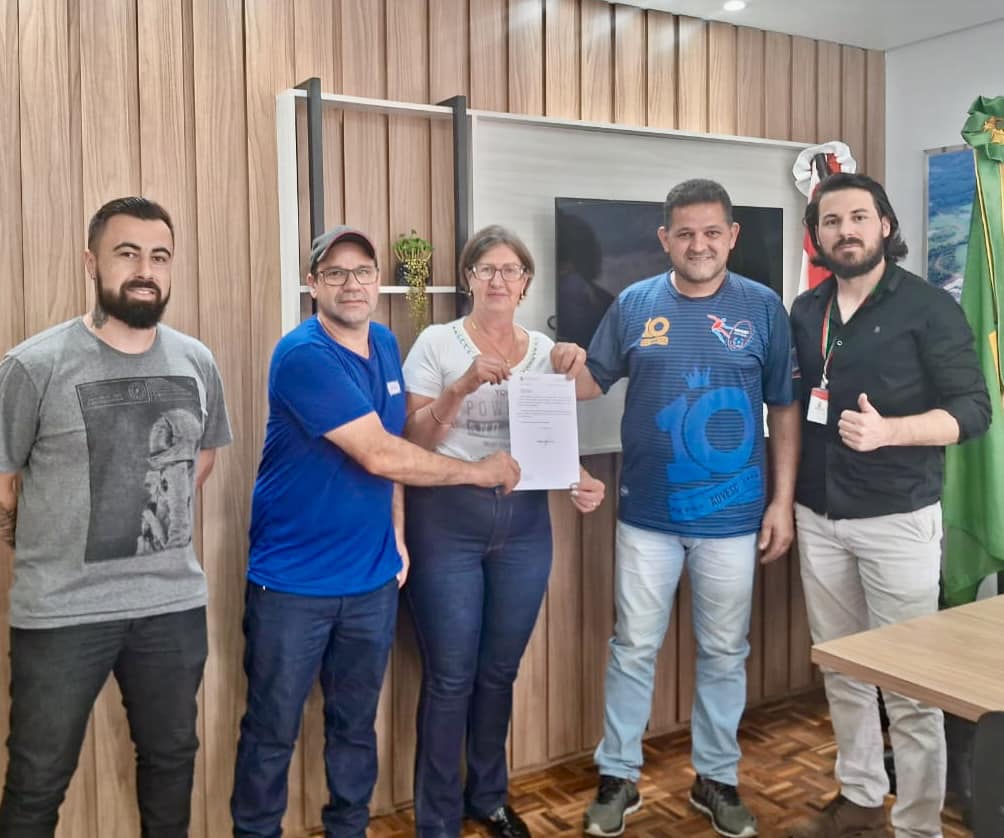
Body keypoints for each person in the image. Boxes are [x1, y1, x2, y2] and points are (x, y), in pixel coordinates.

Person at [230, 226, 521, 838]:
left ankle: (350, 830)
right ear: (313, 284)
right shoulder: (303, 355)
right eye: (335, 273)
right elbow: (379, 454)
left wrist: (397, 534)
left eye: (362, 271)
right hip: (292, 585)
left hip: (370, 581)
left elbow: (395, 448)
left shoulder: (385, 343)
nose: (352, 284)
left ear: (379, 281)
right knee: (271, 730)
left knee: (355, 728)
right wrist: (478, 473)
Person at [551, 179, 800, 838]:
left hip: (733, 519)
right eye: (685, 233)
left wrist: (782, 501)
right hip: (647, 518)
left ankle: (715, 779)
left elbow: (784, 406)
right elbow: (590, 381)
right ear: (665, 238)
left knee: (724, 652)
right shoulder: (634, 304)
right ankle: (619, 777)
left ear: (732, 236)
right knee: (633, 648)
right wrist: (558, 361)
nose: (699, 245)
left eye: (712, 232)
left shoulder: (763, 308)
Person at [0, 196, 232, 837]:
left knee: (171, 764)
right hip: (60, 611)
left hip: (171, 606)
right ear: (91, 262)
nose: (145, 270)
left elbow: (202, 456)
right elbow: (5, 483)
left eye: (159, 256)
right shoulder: (33, 366)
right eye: (127, 253)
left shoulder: (196, 360)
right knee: (36, 782)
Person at [786, 172, 991, 838]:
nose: (845, 231)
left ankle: (918, 825)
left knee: (909, 683)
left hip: (898, 519)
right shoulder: (806, 310)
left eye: (858, 217)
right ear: (817, 236)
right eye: (831, 221)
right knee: (842, 667)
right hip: (819, 515)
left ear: (885, 225)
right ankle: (860, 796)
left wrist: (891, 431)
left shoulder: (928, 308)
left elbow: (974, 411)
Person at [400, 225, 606, 838]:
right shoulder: (437, 343)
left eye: (509, 270)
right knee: (450, 677)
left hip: (524, 526)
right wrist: (461, 386)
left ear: (525, 283)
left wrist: (578, 478)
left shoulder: (544, 351)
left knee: (499, 671)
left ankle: (488, 797)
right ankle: (437, 818)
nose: (497, 279)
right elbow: (413, 440)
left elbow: (551, 440)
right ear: (469, 279)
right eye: (485, 268)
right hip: (447, 521)